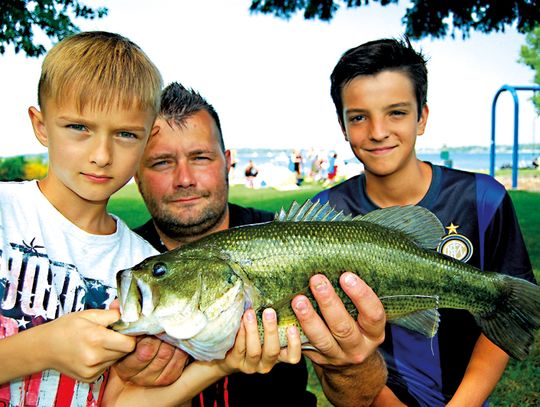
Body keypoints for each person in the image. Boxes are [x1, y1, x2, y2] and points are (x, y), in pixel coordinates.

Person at [0, 31, 302, 407]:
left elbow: (119, 401)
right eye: (79, 127)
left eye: (126, 134)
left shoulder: (145, 265)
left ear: (145, 142)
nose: (101, 154)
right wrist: (40, 349)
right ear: (41, 125)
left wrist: (221, 365)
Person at [124, 81, 388, 406]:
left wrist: (350, 361)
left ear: (227, 162)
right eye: (162, 162)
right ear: (136, 173)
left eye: (200, 157)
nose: (184, 178)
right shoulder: (123, 258)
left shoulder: (287, 238)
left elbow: (358, 397)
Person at [313, 37, 536, 406]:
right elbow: (329, 344)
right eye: (359, 117)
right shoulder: (325, 213)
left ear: (422, 117)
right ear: (342, 125)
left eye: (396, 112)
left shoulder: (483, 198)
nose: (378, 131)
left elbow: (508, 309)